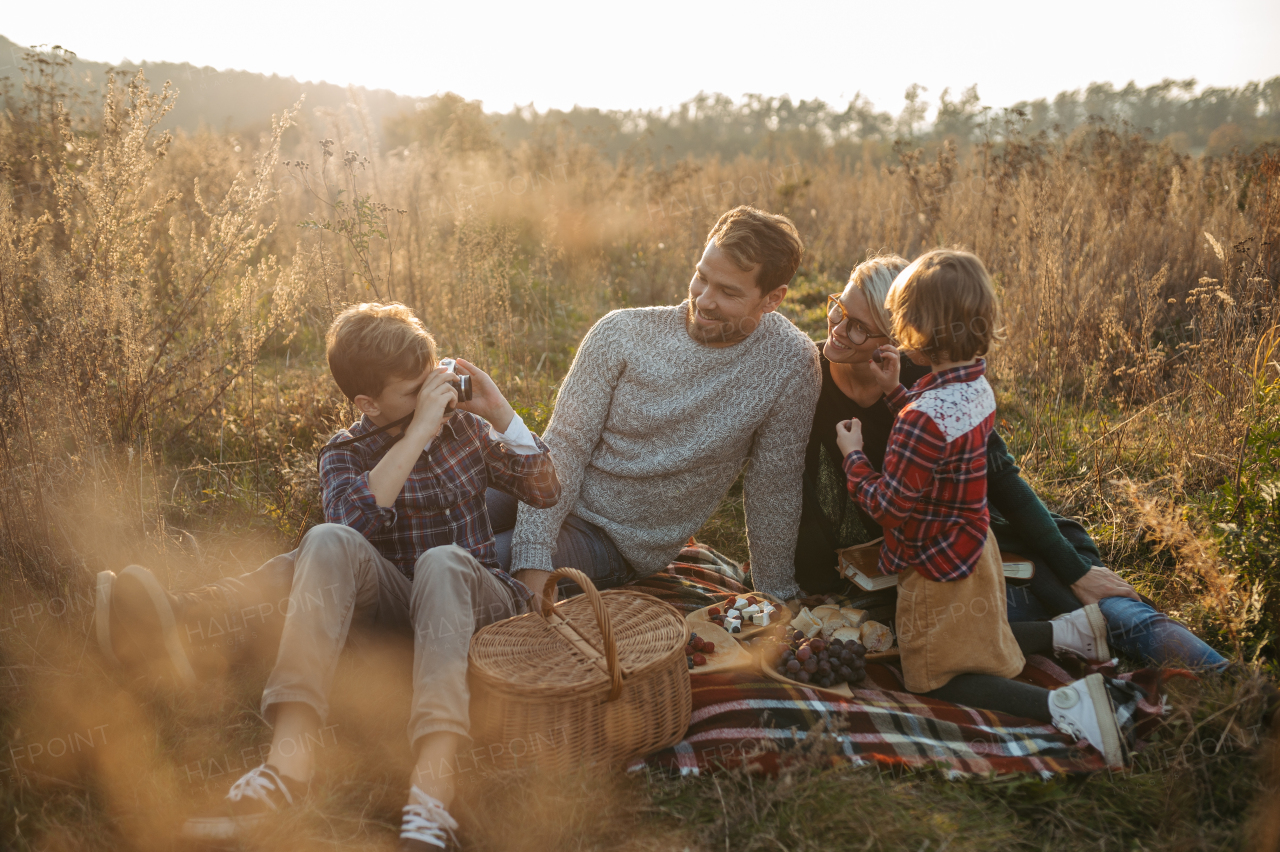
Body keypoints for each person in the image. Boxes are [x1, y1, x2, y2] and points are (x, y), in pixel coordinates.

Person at [93, 205, 823, 688]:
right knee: (411, 516)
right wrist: (537, 558)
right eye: (700, 276)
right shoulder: (623, 333)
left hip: (615, 535)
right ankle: (187, 614)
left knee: (456, 569)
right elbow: (556, 454)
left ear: (774, 297)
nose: (702, 299)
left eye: (727, 291)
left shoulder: (790, 366)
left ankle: (249, 643)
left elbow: (776, 482)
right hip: (542, 482)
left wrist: (778, 591)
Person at [136, 303, 560, 849]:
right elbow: (348, 525)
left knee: (442, 560)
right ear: (368, 403)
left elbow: (546, 489)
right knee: (325, 538)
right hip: (399, 614)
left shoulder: (467, 432)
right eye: (414, 392)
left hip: (477, 604)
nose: (433, 398)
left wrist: (497, 409)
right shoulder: (343, 453)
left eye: (432, 380)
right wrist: (415, 437)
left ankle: (434, 793)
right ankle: (288, 766)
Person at [796, 252, 1228, 671]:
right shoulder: (806, 378)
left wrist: (1076, 570)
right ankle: (1077, 634)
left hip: (967, 534)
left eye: (857, 328)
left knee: (1085, 593)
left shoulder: (925, 378)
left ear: (901, 338)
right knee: (929, 630)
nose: (835, 327)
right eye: (838, 306)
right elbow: (792, 487)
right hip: (907, 557)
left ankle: (1218, 676)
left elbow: (1000, 475)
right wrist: (801, 585)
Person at [837, 249, 1127, 767]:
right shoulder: (974, 386)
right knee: (975, 634)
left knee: (936, 673)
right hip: (975, 546)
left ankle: (1070, 706)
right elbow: (939, 436)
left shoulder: (920, 419)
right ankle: (1073, 632)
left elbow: (889, 506)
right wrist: (895, 393)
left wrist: (854, 457)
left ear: (918, 329)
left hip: (934, 565)